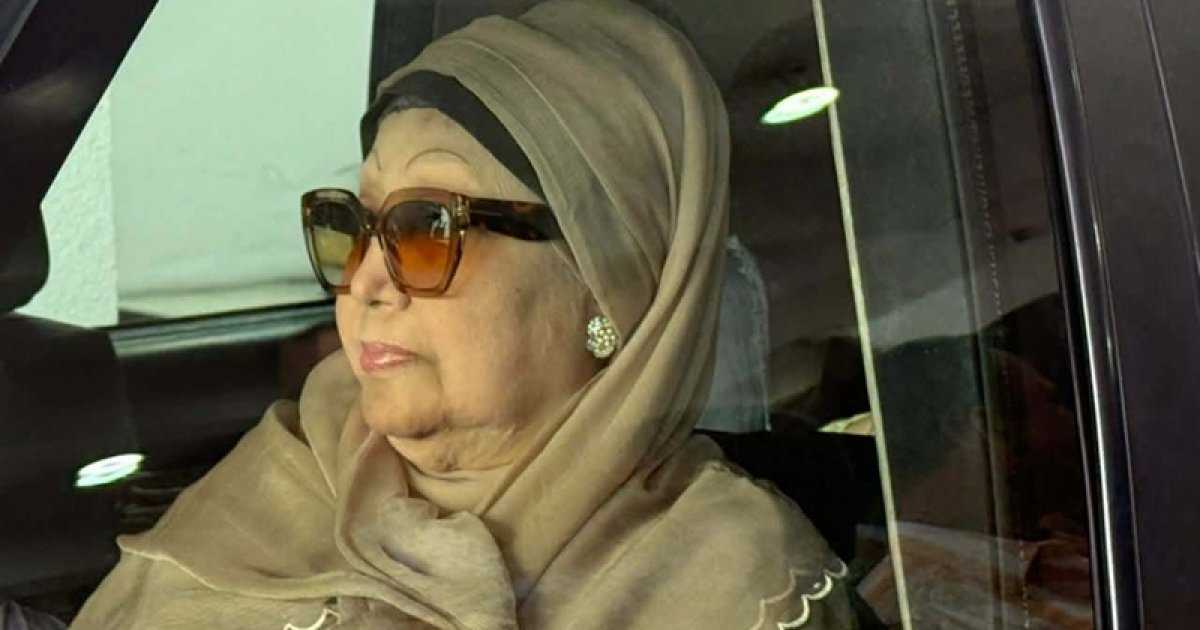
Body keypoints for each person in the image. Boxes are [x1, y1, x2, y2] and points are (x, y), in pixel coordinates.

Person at [70, 1, 853, 627]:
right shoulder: (272, 492)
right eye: (354, 225)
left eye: (426, 227)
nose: (364, 281)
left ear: (603, 281)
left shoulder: (730, 583)